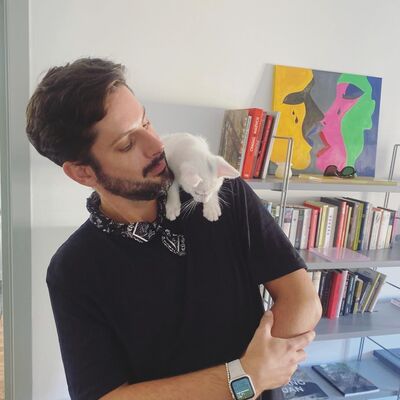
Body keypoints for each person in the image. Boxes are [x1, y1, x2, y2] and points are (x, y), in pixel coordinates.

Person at [26, 58, 322, 400]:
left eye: (146, 122)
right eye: (127, 144)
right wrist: (245, 378)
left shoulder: (222, 194)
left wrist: (257, 373)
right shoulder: (73, 270)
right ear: (83, 172)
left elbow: (303, 301)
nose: (156, 145)